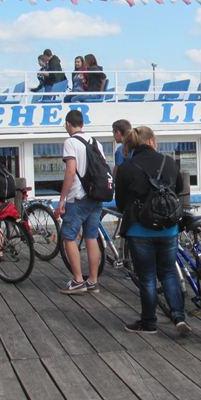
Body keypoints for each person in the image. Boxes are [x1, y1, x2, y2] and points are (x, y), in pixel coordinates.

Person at [115, 126, 189, 335]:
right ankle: (179, 317)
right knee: (168, 273)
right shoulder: (169, 162)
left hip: (140, 230)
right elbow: (179, 189)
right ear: (151, 141)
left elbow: (120, 203)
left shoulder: (126, 167)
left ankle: (149, 322)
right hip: (169, 228)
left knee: (147, 277)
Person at [54, 109, 104, 294]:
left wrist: (62, 199)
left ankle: (77, 280)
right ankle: (93, 281)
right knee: (91, 237)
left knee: (68, 237)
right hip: (95, 197)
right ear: (82, 123)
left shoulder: (70, 142)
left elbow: (70, 170)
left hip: (77, 197)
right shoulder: (96, 142)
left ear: (68, 124)